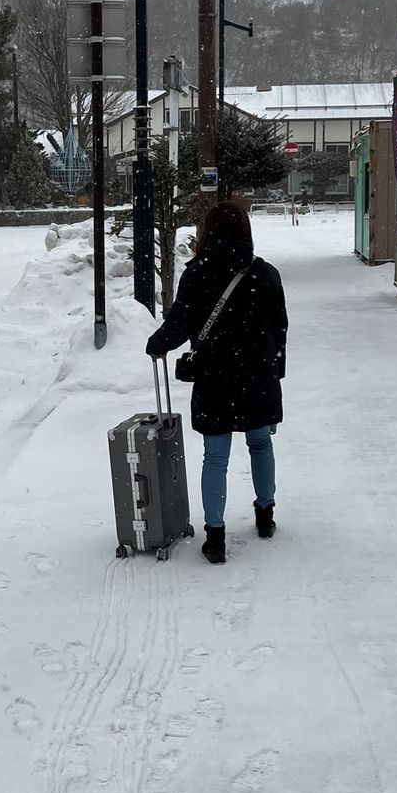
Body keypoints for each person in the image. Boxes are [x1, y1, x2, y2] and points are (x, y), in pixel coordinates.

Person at [145, 200, 288, 564]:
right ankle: (265, 515)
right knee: (260, 445)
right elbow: (279, 327)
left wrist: (157, 344)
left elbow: (181, 323)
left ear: (208, 232)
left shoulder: (198, 273)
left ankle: (216, 536)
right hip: (258, 374)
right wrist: (275, 370)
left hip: (215, 377)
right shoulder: (266, 273)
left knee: (216, 457)